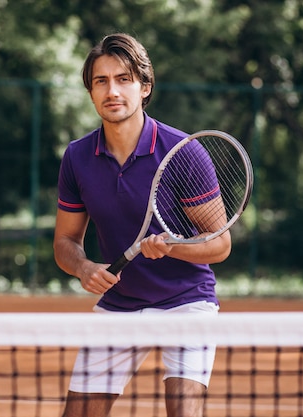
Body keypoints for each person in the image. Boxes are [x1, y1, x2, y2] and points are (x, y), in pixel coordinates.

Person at [53, 32, 232, 417]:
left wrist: (173, 246)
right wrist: (84, 267)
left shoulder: (184, 152)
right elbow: (65, 241)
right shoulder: (77, 157)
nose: (112, 91)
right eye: (101, 81)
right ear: (91, 91)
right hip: (120, 304)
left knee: (182, 412)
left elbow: (220, 245)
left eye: (124, 79)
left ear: (144, 87)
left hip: (186, 302)